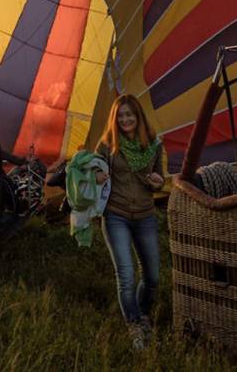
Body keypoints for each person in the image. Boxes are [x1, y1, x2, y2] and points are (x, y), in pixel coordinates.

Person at [95, 94, 166, 350]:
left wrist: (158, 181)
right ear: (115, 119)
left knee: (153, 277)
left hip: (145, 215)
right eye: (121, 115)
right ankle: (135, 324)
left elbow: (161, 177)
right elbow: (91, 173)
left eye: (130, 114)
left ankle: (143, 314)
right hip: (116, 215)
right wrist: (97, 176)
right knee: (125, 276)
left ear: (138, 116)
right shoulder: (107, 145)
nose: (125, 119)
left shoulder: (154, 145)